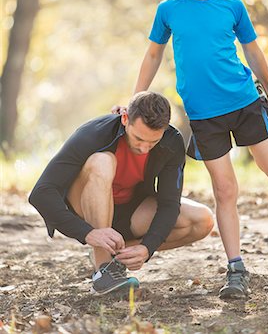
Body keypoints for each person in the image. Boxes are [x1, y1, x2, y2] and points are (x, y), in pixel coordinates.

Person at [132, 0, 268, 299]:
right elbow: (154, 53)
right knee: (225, 189)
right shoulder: (168, 10)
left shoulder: (231, 6)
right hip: (204, 116)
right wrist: (137, 94)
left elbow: (252, 51)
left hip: (244, 102)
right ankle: (236, 268)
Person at [29, 91, 214, 296]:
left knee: (202, 220)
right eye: (139, 138)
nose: (144, 148)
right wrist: (87, 233)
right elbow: (41, 193)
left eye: (152, 143)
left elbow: (169, 203)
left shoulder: (171, 142)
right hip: (86, 208)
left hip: (131, 212)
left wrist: (147, 247)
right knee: (102, 161)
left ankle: (118, 258)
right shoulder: (94, 133)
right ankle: (104, 270)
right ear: (125, 118)